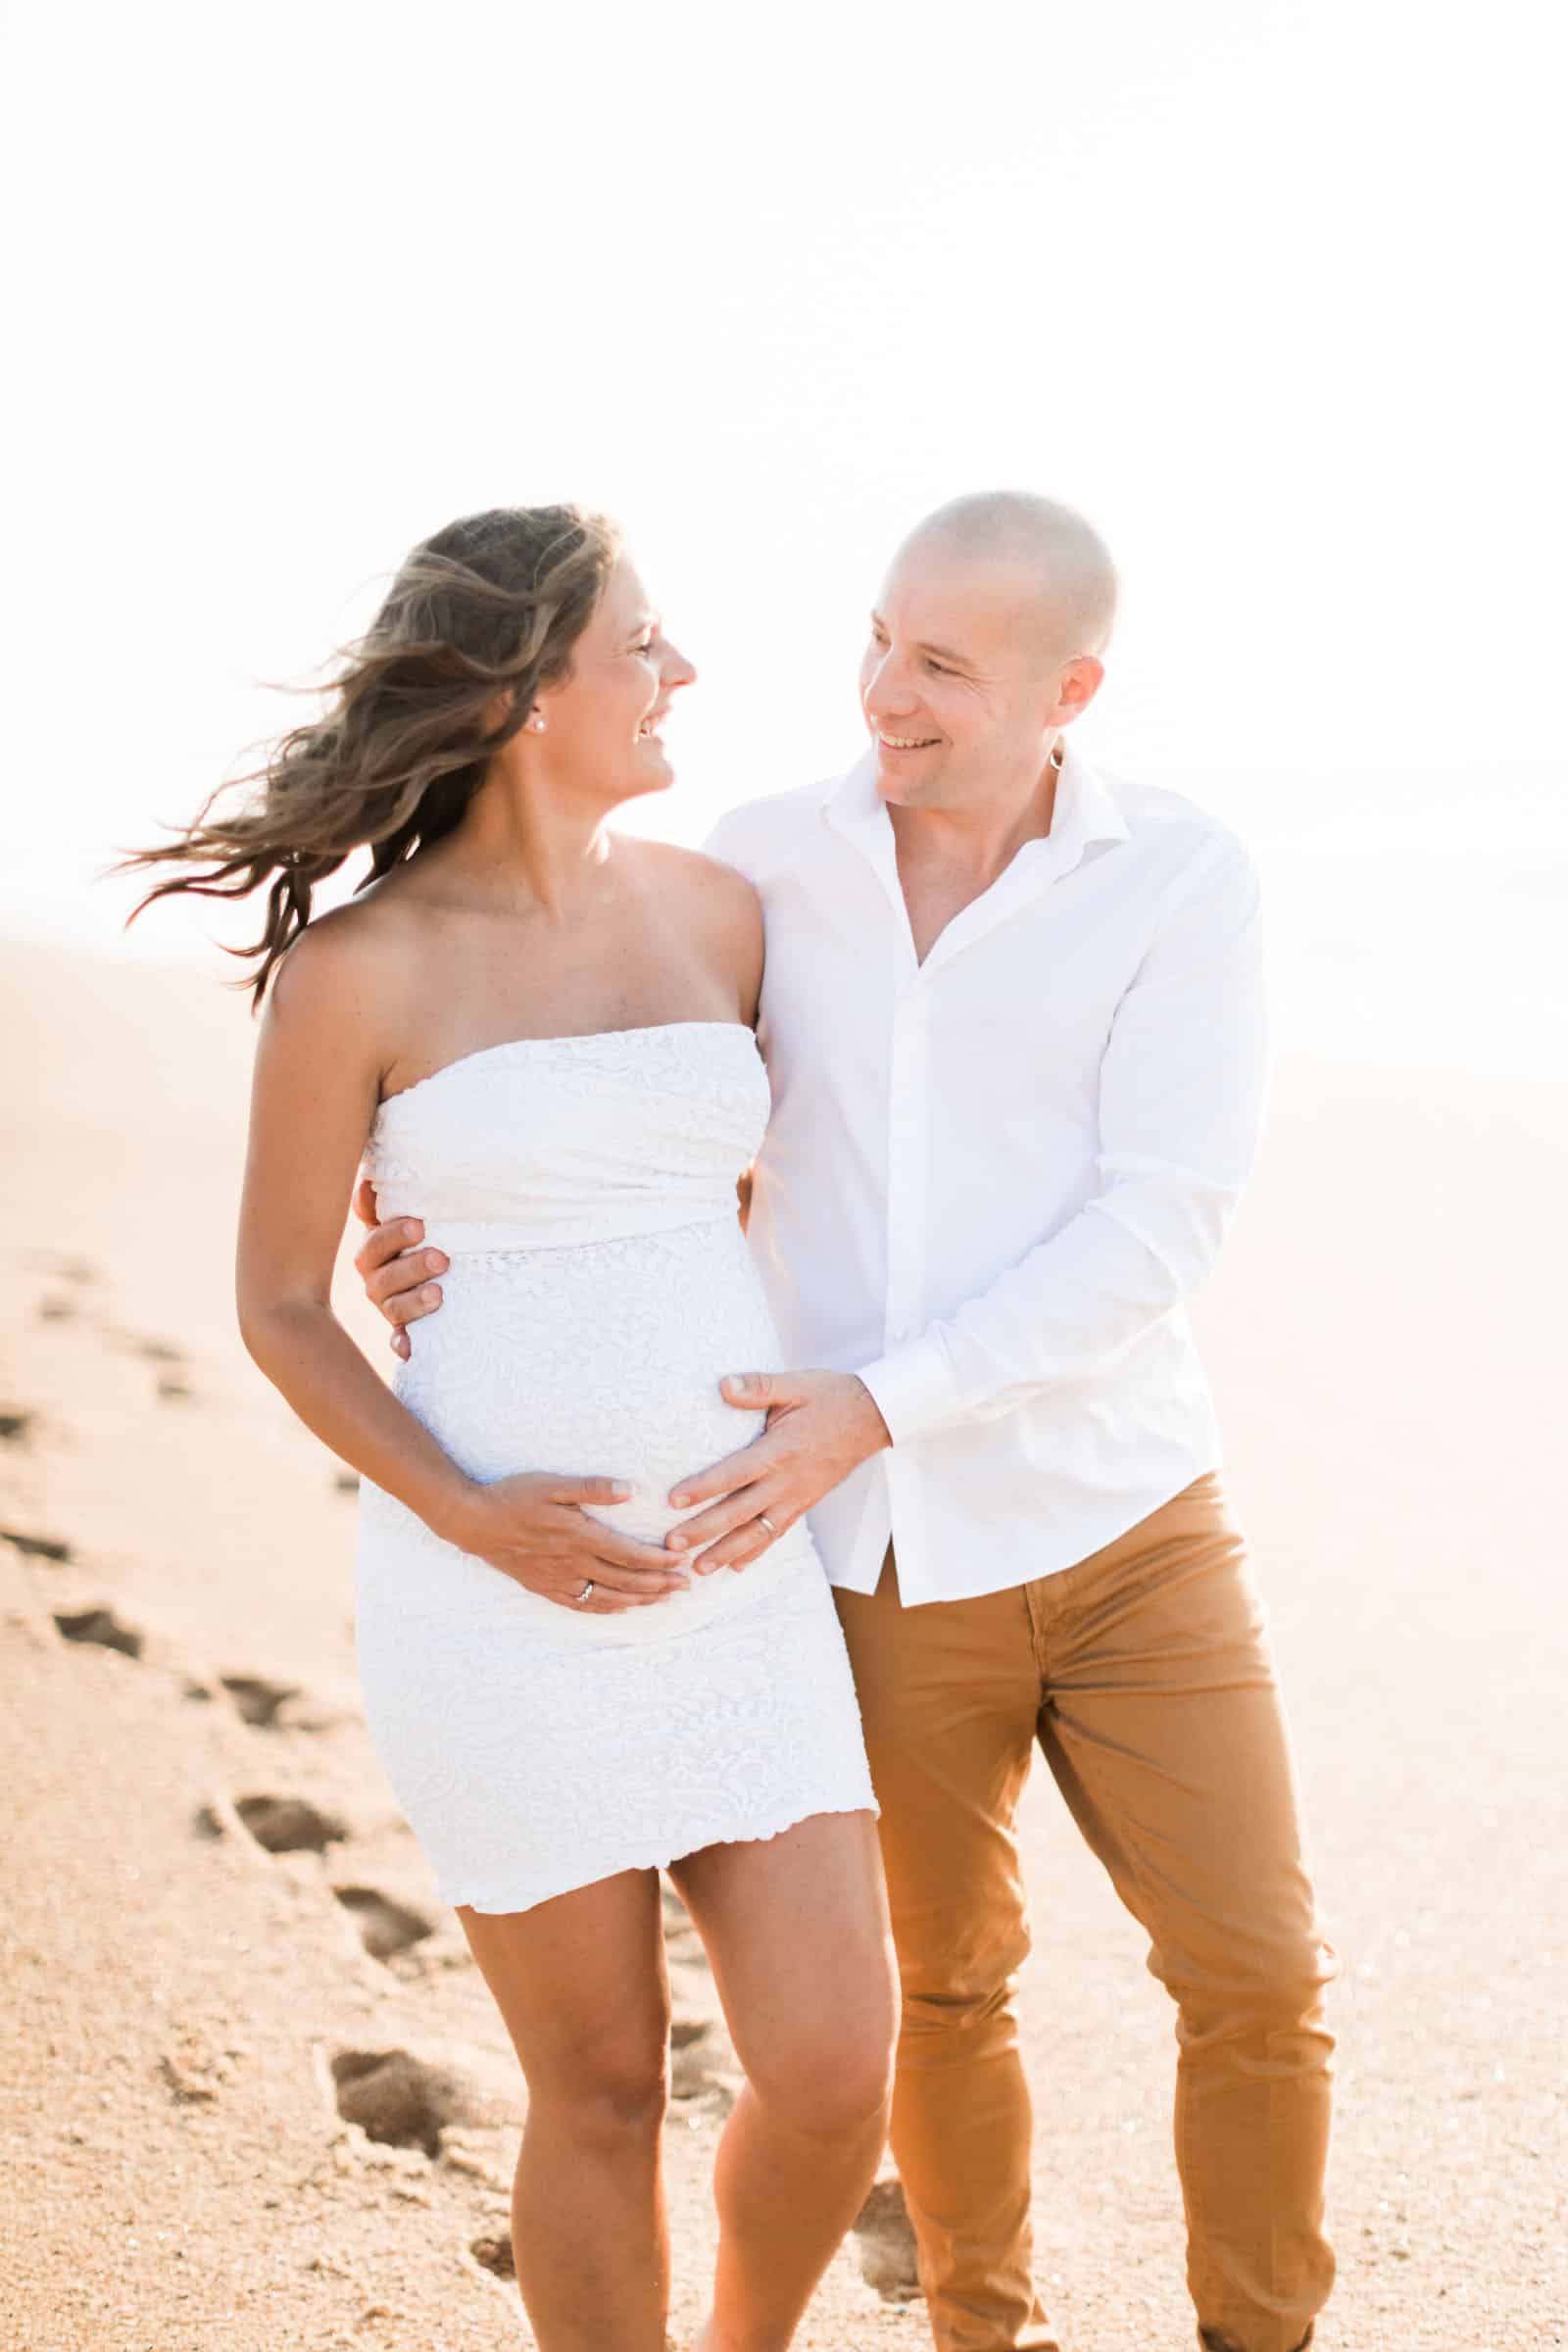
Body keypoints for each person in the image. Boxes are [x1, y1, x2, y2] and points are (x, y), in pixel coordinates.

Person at [362, 492, 1338, 2352]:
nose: (887, 693)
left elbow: (1165, 1220)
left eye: (944, 667)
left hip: (1122, 1512)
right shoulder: (755, 866)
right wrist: (422, 1229)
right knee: (945, 1990)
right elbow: (625, 1122)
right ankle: (984, 2328)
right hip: (856, 1552)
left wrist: (880, 1405)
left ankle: (1259, 2337)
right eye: (880, 640)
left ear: (1073, 690)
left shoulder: (1182, 877)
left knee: (1260, 1975)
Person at [122, 504, 898, 2352]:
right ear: (525, 684)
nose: (680, 674)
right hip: (497, 1609)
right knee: (603, 2091)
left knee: (833, 2070)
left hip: (737, 1578)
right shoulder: (356, 973)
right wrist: (479, 1516)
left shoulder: (722, 913)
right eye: (643, 643)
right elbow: (284, 1304)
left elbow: (825, 1187)